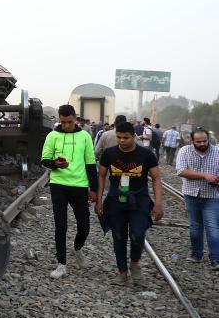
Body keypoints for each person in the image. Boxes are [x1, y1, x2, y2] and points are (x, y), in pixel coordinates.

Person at [96, 122, 163, 285]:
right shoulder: (109, 154)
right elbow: (102, 176)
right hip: (116, 199)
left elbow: (156, 178)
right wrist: (99, 200)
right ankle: (122, 272)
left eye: (126, 137)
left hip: (139, 199)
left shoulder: (146, 155)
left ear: (134, 136)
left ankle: (134, 263)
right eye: (119, 137)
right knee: (118, 236)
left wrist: (158, 203)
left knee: (137, 234)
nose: (121, 141)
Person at [41, 104, 99, 279]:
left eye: (69, 122)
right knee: (61, 225)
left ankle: (77, 248)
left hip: (79, 186)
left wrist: (94, 189)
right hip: (58, 185)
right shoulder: (52, 136)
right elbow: (44, 160)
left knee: (84, 226)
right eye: (63, 122)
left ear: (75, 119)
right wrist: (55, 165)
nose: (66, 125)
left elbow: (90, 164)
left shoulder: (85, 137)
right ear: (59, 119)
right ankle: (61, 264)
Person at [175, 128, 219, 269]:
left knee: (212, 227)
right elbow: (181, 171)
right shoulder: (184, 151)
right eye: (198, 141)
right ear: (192, 141)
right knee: (195, 226)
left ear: (208, 139)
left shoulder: (217, 152)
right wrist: (205, 176)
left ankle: (215, 259)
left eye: (204, 141)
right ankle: (196, 254)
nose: (202, 144)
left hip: (212, 195)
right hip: (191, 194)